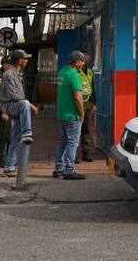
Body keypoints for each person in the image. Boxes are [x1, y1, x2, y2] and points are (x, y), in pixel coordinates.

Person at [0, 49, 37, 177]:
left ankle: (9, 167)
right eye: (25, 58)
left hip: (16, 105)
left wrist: (30, 105)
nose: (27, 60)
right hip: (10, 105)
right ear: (20, 61)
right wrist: (29, 105)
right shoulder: (9, 74)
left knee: (15, 138)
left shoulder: (17, 74)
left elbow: (19, 96)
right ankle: (27, 133)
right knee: (24, 104)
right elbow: (14, 96)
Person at [54, 51, 86, 180]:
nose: (83, 63)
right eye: (82, 60)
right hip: (72, 115)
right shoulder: (74, 75)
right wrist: (82, 113)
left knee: (63, 142)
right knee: (72, 143)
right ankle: (69, 171)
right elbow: (78, 97)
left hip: (61, 114)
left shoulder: (62, 72)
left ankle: (58, 169)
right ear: (77, 62)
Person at [0, 57, 12, 168]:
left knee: (11, 136)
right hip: (3, 112)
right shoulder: (0, 78)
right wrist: (3, 112)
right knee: (3, 136)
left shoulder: (11, 76)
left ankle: (9, 158)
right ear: (4, 65)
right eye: (10, 64)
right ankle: (2, 160)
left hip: (11, 111)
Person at [77, 53, 95, 163]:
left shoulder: (89, 72)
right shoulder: (75, 72)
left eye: (87, 58)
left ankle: (86, 153)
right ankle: (74, 154)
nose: (86, 60)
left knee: (86, 128)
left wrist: (94, 102)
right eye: (84, 58)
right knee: (76, 128)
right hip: (78, 103)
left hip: (88, 102)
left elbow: (92, 87)